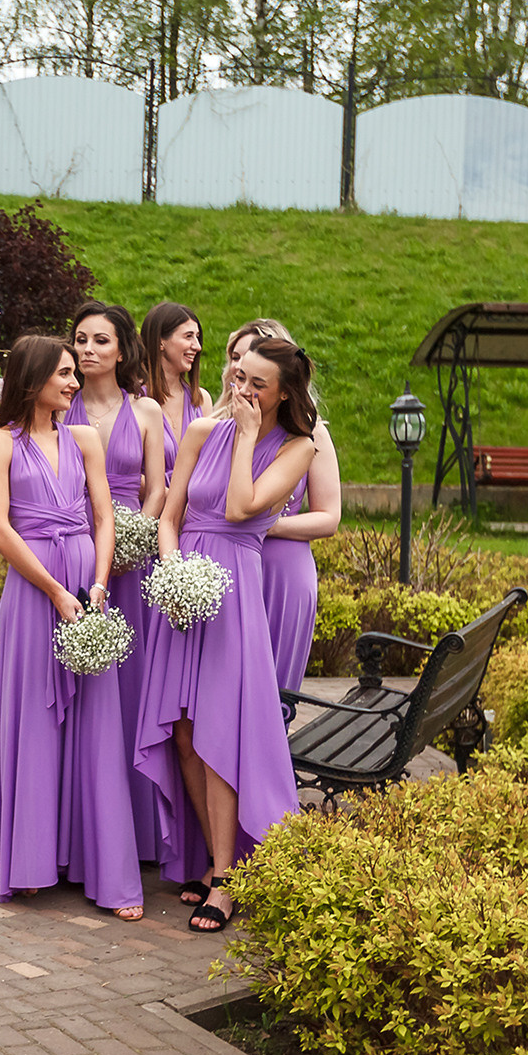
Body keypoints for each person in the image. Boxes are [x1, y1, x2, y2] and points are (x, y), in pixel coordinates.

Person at [135, 332, 317, 935]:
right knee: (183, 732)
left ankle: (226, 878)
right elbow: (171, 515)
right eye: (238, 377)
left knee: (219, 730)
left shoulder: (298, 447)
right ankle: (212, 858)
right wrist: (174, 572)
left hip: (237, 586)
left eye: (257, 385)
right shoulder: (197, 432)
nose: (241, 390)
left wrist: (243, 434)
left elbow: (241, 507)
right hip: (185, 589)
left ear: (283, 392)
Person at [0, 335, 140, 917]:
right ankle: (29, 863)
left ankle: (105, 871)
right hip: (31, 593)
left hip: (85, 586)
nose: (75, 382)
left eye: (75, 373)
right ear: (32, 379)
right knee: (36, 720)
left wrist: (97, 585)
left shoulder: (85, 440)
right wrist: (53, 591)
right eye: (64, 373)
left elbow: (104, 517)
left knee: (97, 728)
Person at [68, 301, 167, 863]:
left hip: (135, 558)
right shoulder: (63, 406)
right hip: (79, 553)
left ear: (123, 350)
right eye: (80, 340)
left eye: (100, 341)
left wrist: (135, 536)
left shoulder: (147, 411)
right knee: (92, 693)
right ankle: (93, 826)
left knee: (134, 686)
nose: (87, 350)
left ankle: (142, 829)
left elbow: (157, 485)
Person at [241, 318, 340, 696]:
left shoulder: (310, 433)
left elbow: (329, 517)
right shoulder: (220, 427)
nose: (245, 385)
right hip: (230, 562)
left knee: (274, 692)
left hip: (282, 567)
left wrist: (270, 526)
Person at [140, 301, 211, 458]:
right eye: (188, 336)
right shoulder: (135, 400)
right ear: (160, 342)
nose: (198, 346)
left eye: (197, 337)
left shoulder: (201, 400)